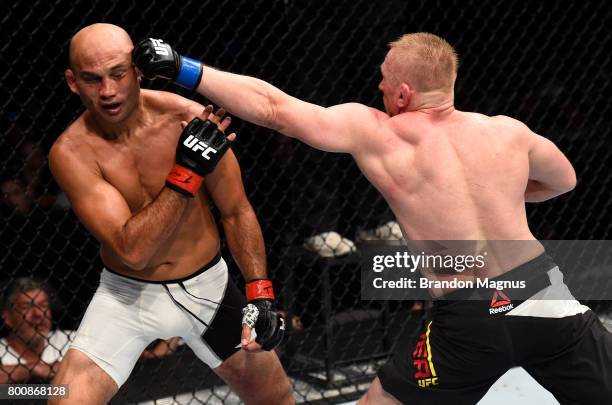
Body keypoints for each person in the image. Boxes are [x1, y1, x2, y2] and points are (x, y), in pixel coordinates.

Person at [134, 33, 612, 404]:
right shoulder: (507, 132)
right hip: (546, 297)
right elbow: (564, 180)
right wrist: (500, 195)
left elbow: (275, 108)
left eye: (383, 77)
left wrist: (182, 68)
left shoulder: (381, 134)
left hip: (473, 316)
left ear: (404, 92)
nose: (378, 84)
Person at [48, 24, 292, 405]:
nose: (108, 91)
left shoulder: (189, 116)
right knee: (65, 400)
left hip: (208, 287)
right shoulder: (71, 153)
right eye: (92, 79)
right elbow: (133, 251)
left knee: (276, 397)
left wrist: (260, 295)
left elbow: (236, 210)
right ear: (72, 82)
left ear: (138, 70)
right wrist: (186, 173)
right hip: (126, 297)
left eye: (117, 73)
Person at [0, 277, 72, 384]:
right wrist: (33, 369)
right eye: (26, 307)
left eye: (43, 305)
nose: (38, 313)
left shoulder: (70, 339)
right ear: (7, 318)